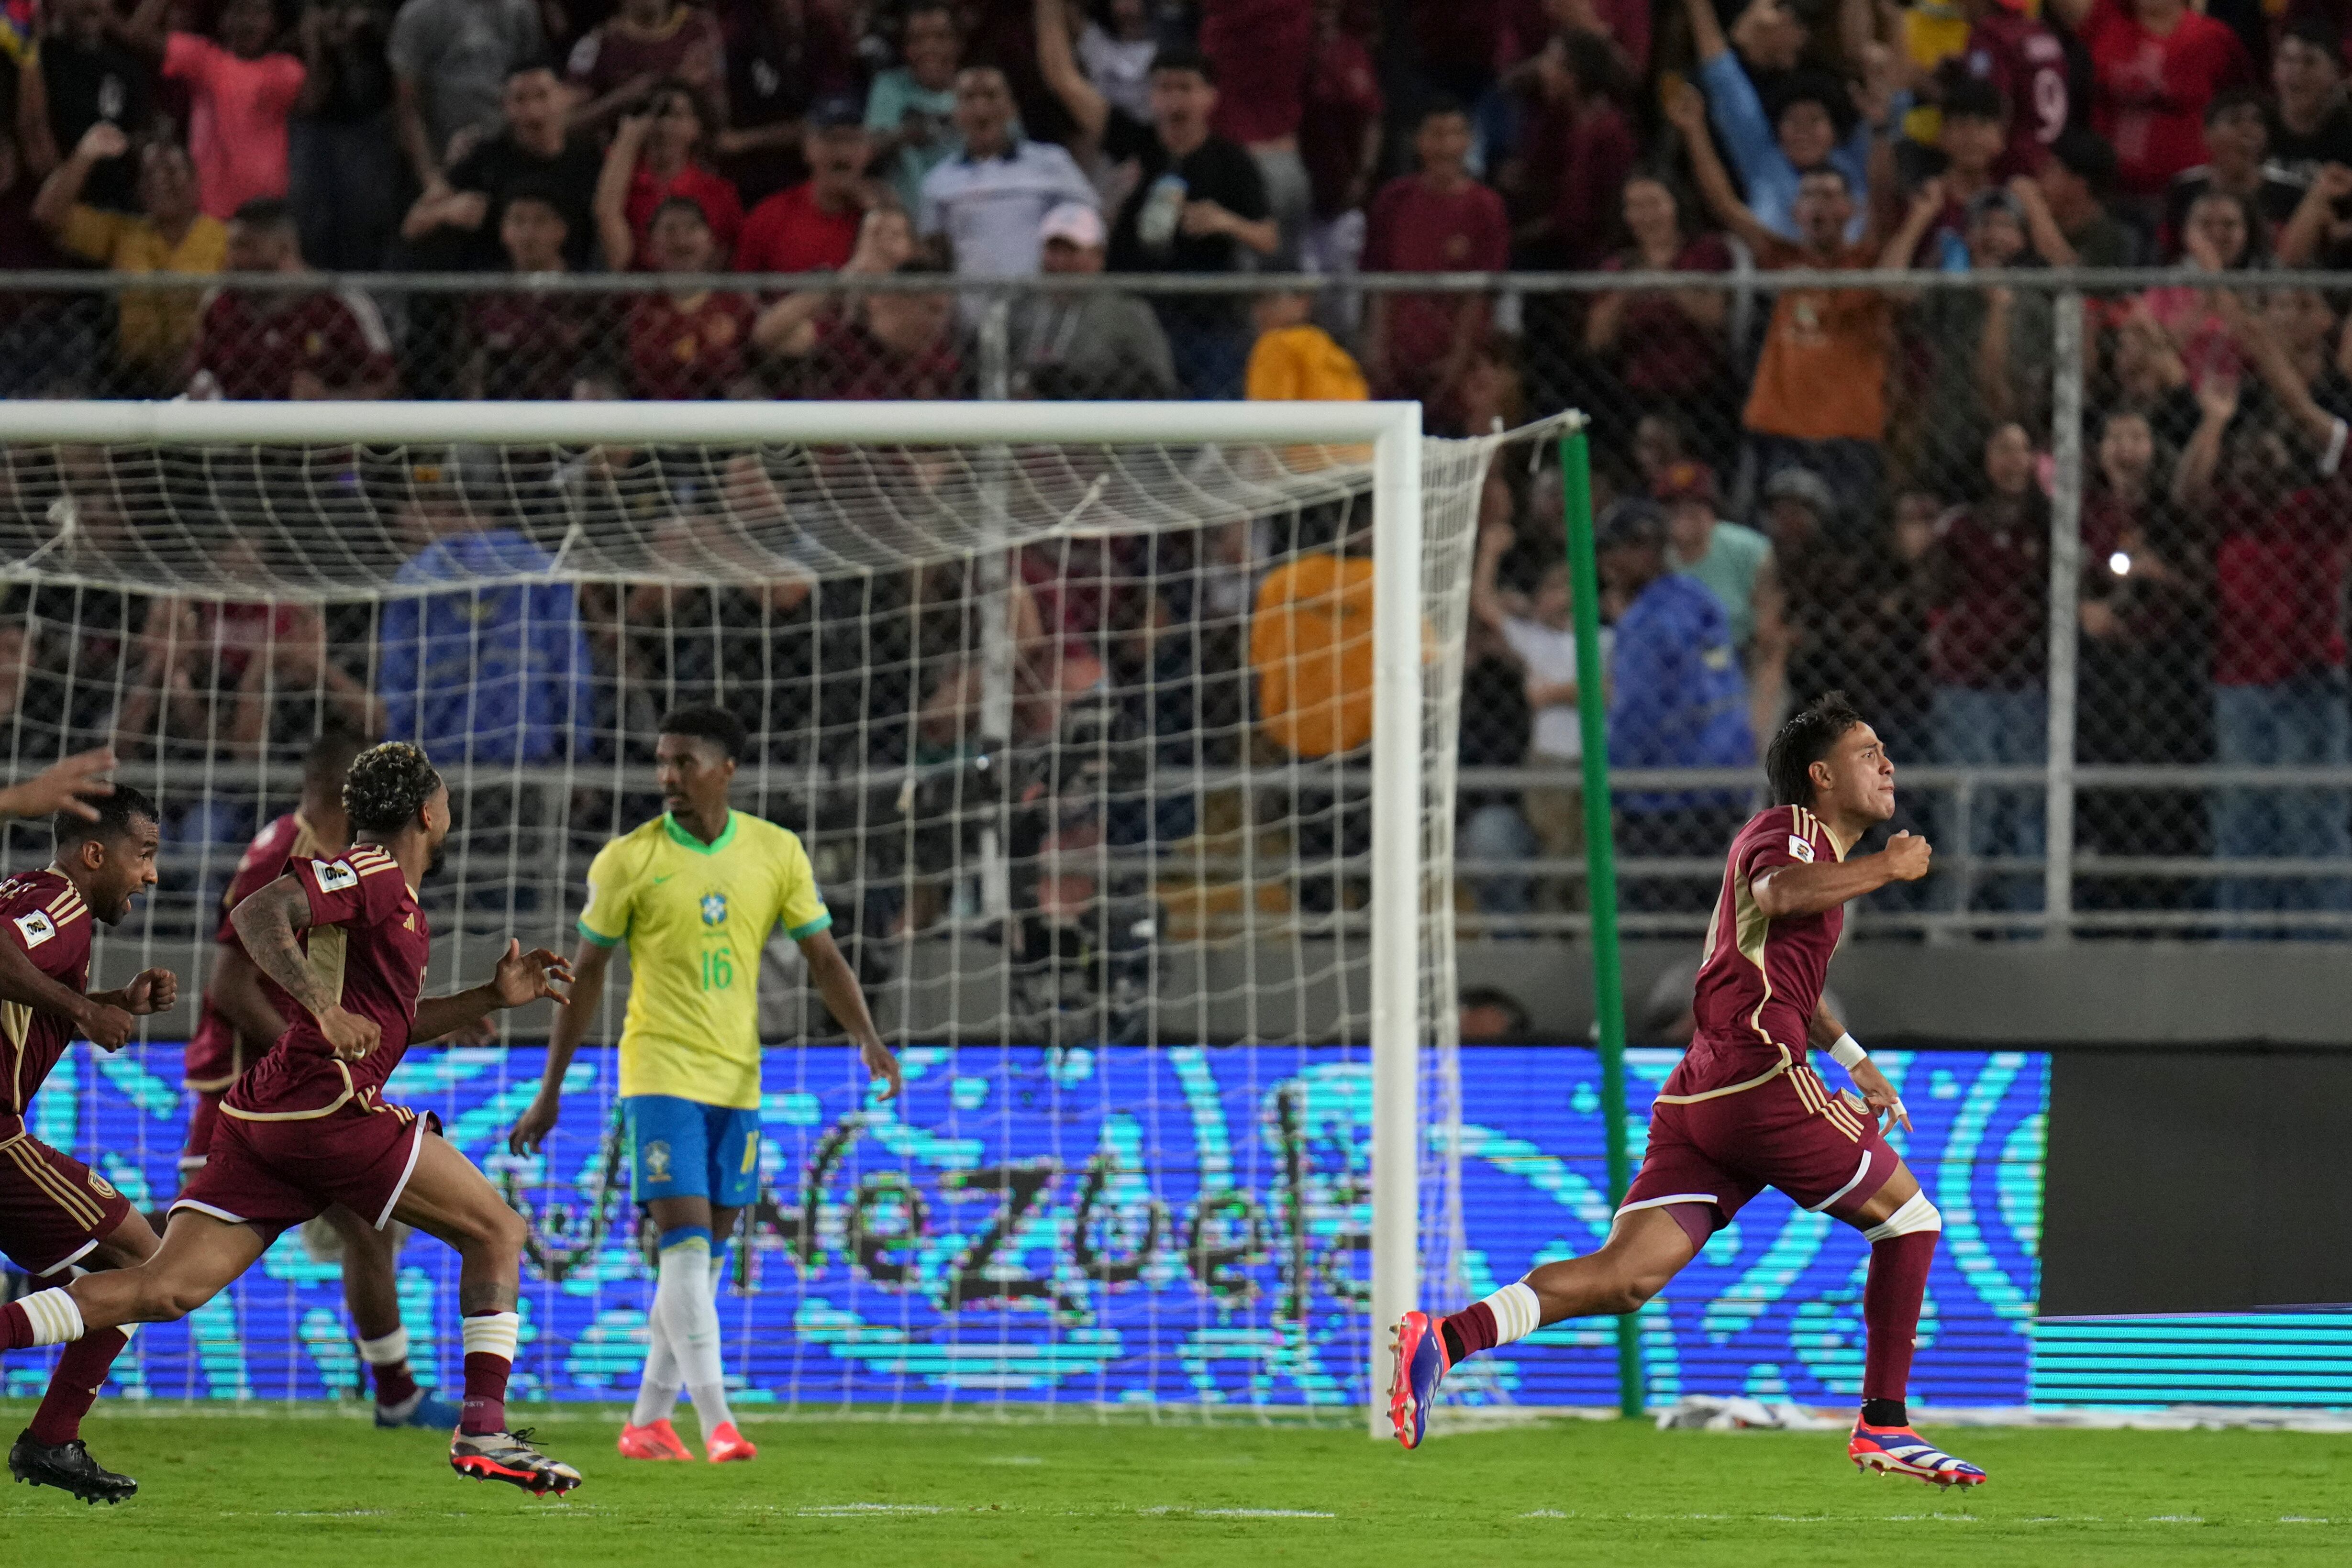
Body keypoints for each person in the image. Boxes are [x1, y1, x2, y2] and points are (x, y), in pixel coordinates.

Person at [1391, 693, 1985, 1488]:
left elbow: (1787, 976)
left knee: (1627, 1275)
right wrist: (1887, 866)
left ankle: (1446, 1337)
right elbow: (1779, 896)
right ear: (1820, 774)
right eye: (1868, 749)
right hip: (1758, 1073)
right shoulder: (1791, 832)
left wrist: (1851, 1055)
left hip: (1703, 1089)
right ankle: (1883, 1422)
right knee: (1911, 1218)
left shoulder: (1805, 854)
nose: (1887, 762)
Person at [1, 744, 582, 1492]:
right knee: (498, 1229)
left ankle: (40, 1405)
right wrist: (320, 1006)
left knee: (164, 1287)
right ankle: (484, 1428)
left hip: (268, 1113)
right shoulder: (371, 870)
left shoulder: (395, 899)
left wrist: (489, 998)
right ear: (430, 813)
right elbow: (258, 910)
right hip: (326, 1105)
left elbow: (392, 1024)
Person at [507, 706, 899, 1463]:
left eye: (684, 762)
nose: (668, 776)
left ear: (726, 769)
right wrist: (550, 1089)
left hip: (737, 1077)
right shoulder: (627, 858)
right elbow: (586, 979)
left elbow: (823, 956)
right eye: (661, 761)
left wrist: (868, 1039)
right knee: (685, 1249)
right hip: (657, 1070)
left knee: (703, 1263)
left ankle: (648, 1420)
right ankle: (719, 1421)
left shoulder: (775, 851)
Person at [175, 729, 455, 1432]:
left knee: (366, 1227)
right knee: (164, 1261)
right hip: (251, 1082)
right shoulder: (291, 856)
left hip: (297, 1086)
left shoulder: (328, 858)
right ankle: (56, 1262)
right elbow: (231, 985)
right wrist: (318, 1041)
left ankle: (397, 1394)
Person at [0, 786, 175, 1504]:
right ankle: (50, 1438)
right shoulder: (63, 904)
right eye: (144, 855)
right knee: (144, 1260)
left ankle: (53, 1437)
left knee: (129, 1265)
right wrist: (82, 1008)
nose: (152, 875)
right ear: (95, 853)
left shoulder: (37, 900)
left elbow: (21, 986)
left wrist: (108, 1000)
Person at [1667, 75, 1900, 510]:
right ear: (1796, 211)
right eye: (1811, 197)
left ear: (1850, 210)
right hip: (1780, 427)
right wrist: (1696, 131)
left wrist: (1882, 131)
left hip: (1850, 431)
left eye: (1832, 197)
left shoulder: (1863, 262)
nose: (1821, 207)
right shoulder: (1783, 258)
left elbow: (1884, 202)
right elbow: (1725, 205)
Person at [1038, 35, 1275, 397]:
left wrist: (1224, 221)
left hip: (1204, 320)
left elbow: (1269, 238)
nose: (1174, 99)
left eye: (1186, 88)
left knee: (1211, 422)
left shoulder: (1232, 162)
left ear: (1210, 97)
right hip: (1130, 313)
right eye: (1164, 87)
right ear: (1151, 95)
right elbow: (1064, 82)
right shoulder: (1137, 143)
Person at [1594, 502, 1755, 907]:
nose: (1605, 564)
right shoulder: (1699, 599)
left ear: (1643, 550)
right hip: (1722, 783)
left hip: (1662, 799)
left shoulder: (1647, 620)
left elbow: (1637, 717)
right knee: (1711, 917)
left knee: (1655, 923)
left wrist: (1610, 787)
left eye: (1614, 551)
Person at [377, 481, 593, 768]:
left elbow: (399, 685)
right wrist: (577, 750)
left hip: (438, 762)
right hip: (528, 757)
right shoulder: (543, 572)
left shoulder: (414, 577)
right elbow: (571, 672)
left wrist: (402, 762)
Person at [32, 123, 224, 397]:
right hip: (131, 376)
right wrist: (86, 154)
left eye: (171, 171)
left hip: (203, 373)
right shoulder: (123, 233)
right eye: (149, 175)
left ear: (195, 182)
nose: (160, 180)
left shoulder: (225, 239)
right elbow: (48, 215)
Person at [1361, 100, 1508, 422]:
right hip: (1399, 354)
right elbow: (1379, 282)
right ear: (1419, 140)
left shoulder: (1486, 207)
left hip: (1460, 358)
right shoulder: (1393, 200)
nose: (1446, 146)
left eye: (1455, 134)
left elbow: (1480, 293)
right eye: (1436, 135)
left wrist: (1458, 361)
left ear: (1468, 141)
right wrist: (1378, 351)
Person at [1678, 0, 1871, 240]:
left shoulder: (1859, 162)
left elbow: (1888, 102)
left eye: (1814, 121)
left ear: (1835, 130)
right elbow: (1723, 78)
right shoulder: (1765, 163)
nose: (1803, 131)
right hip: (1776, 273)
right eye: (1792, 121)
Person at [187, 198, 397, 400]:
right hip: (234, 433)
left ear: (285, 248)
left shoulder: (340, 304)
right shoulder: (220, 304)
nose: (232, 259)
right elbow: (196, 372)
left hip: (317, 433)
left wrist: (329, 400)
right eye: (231, 247)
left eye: (246, 246)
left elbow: (387, 386)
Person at [400, 63, 602, 272]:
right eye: (520, 100)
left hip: (573, 288)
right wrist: (448, 211)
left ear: (564, 97)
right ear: (505, 106)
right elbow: (413, 223)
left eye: (542, 96)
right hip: (494, 287)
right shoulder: (485, 157)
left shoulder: (588, 157)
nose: (533, 112)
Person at [2055, 0, 2253, 208]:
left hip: (2186, 199)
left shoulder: (2213, 38)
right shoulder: (2106, 21)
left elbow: (2243, 105)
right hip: (2107, 195)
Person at [919, 65, 1097, 283]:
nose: (981, 108)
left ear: (1011, 107)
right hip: (969, 307)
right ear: (956, 113)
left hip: (1040, 304)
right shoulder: (939, 180)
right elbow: (932, 252)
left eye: (991, 96)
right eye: (969, 98)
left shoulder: (1052, 162)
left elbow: (1089, 226)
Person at [131, 0, 306, 220]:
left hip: (267, 215)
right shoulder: (204, 59)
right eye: (241, 10)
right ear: (224, 20)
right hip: (209, 216)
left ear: (272, 23)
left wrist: (313, 33)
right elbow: (137, 33)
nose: (249, 22)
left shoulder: (286, 70)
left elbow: (317, 103)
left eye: (259, 13)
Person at [1010, 200, 1175, 399]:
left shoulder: (1127, 312)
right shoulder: (1021, 309)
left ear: (1098, 256)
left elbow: (1160, 383)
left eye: (1071, 251)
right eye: (1054, 250)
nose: (1060, 262)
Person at [387, 0, 543, 199]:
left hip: (509, 158)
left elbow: (534, 87)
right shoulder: (419, 13)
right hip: (446, 160)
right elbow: (408, 109)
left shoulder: (520, 9)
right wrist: (431, 180)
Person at [288, 0, 399, 271]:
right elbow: (307, 98)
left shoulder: (381, 14)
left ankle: (367, 303)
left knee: (367, 221)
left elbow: (401, 67)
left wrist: (367, 27)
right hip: (315, 127)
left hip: (371, 124)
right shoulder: (305, 12)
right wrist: (316, 43)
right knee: (312, 223)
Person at [18, 0, 157, 212]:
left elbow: (140, 140)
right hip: (55, 208)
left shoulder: (128, 65)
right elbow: (33, 136)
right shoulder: (37, 60)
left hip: (120, 214)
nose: (91, 4)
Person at [593, 81, 744, 271]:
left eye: (677, 116)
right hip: (638, 292)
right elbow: (607, 216)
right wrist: (630, 137)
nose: (664, 125)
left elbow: (726, 260)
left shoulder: (719, 194)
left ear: (697, 128)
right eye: (658, 115)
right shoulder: (620, 183)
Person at [626, 198, 759, 397]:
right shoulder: (635, 306)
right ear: (651, 246)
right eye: (670, 230)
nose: (681, 240)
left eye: (692, 228)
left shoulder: (737, 303)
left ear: (711, 241)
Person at [733, 97, 871, 275]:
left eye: (852, 140)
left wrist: (878, 213)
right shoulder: (770, 216)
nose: (842, 152)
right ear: (808, 149)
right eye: (831, 139)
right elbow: (741, 291)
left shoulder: (884, 217)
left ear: (868, 152)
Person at [566, 0, 726, 134]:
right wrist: (620, 99)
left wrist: (694, 88)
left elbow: (722, 117)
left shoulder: (700, 30)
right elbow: (567, 123)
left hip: (691, 164)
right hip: (622, 161)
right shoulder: (597, 43)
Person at [864, 0, 964, 213]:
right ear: (906, 48)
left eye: (940, 37)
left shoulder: (977, 90)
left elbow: (1012, 149)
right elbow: (869, 146)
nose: (929, 48)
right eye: (917, 40)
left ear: (958, 44)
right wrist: (906, 134)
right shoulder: (890, 86)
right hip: (908, 223)